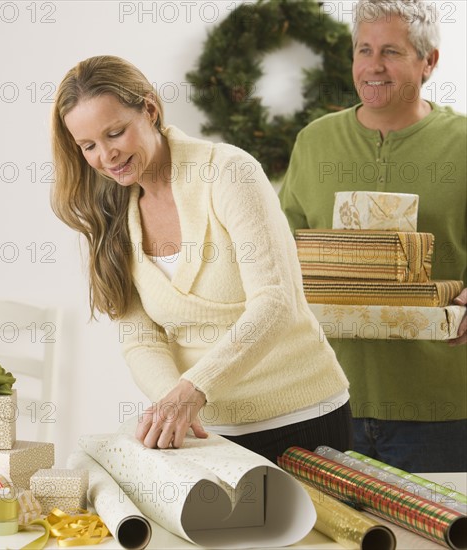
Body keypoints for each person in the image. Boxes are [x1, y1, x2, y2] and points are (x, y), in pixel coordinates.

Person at [51, 55, 352, 463]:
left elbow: (275, 302)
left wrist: (193, 392)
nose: (106, 156)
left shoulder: (228, 173)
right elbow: (140, 337)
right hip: (207, 435)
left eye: (115, 133)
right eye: (88, 146)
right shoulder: (109, 215)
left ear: (151, 110)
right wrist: (173, 404)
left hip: (302, 421)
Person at [280, 0, 466, 472]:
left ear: (430, 62)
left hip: (441, 408)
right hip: (324, 402)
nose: (373, 66)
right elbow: (280, 254)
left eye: (391, 52)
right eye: (364, 50)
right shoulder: (314, 141)